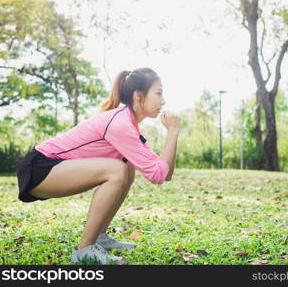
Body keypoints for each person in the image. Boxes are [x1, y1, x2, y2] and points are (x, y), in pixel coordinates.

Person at [15, 68, 180, 265]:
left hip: (53, 168)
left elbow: (164, 173)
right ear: (139, 96)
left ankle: (100, 237)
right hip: (39, 168)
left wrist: (173, 133)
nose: (163, 100)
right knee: (117, 169)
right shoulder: (120, 124)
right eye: (159, 93)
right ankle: (84, 250)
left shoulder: (130, 126)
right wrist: (172, 131)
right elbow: (157, 175)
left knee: (126, 167)